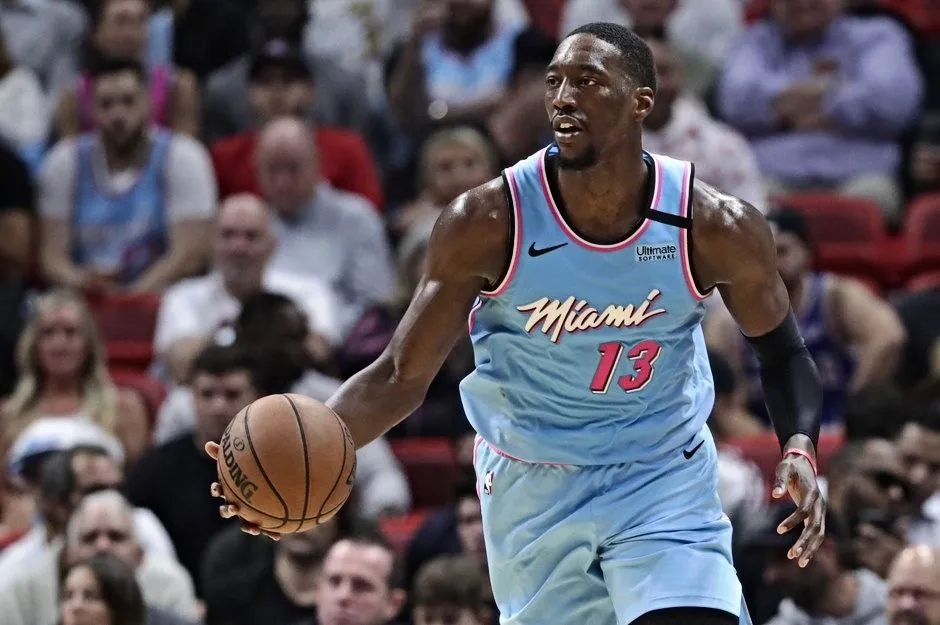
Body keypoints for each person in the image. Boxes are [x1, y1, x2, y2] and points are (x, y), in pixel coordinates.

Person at [209, 22, 826, 625]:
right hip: (534, 484)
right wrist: (303, 455)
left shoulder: (712, 224)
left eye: (588, 81)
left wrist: (798, 443)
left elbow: (783, 353)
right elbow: (400, 374)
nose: (564, 97)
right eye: (555, 81)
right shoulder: (486, 221)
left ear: (642, 102)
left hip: (659, 472)